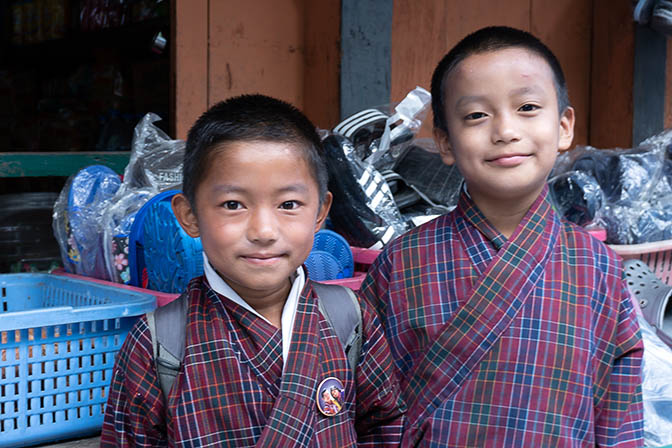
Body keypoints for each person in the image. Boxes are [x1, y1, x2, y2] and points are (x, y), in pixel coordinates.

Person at [360, 26, 644, 447]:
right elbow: (368, 408)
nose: (505, 130)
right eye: (476, 115)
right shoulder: (401, 264)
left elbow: (619, 418)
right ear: (445, 142)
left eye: (527, 107)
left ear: (564, 126)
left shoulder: (598, 266)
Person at [101, 94, 405, 447]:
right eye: (233, 204)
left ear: (320, 213)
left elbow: (386, 428)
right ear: (189, 215)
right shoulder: (160, 344)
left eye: (288, 204)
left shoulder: (351, 318)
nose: (263, 231)